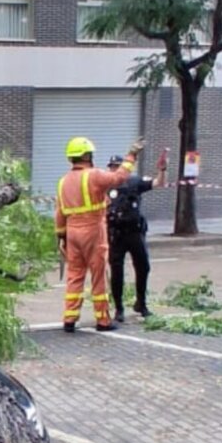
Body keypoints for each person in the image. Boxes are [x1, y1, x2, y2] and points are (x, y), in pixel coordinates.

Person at [55, 135, 144, 331]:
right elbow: (119, 178)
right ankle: (103, 320)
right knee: (98, 275)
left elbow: (60, 212)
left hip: (72, 233)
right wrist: (131, 156)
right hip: (93, 229)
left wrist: (61, 236)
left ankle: (69, 320)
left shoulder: (63, 182)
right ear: (86, 155)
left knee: (75, 276)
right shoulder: (93, 175)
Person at [107, 147, 169, 321]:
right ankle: (119, 308)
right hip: (115, 234)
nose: (114, 169)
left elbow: (158, 183)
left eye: (116, 166)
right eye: (111, 167)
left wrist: (162, 170)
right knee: (117, 272)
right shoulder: (105, 185)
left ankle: (141, 303)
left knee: (143, 267)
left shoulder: (134, 182)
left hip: (134, 233)